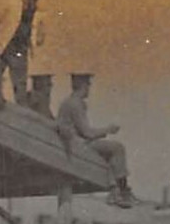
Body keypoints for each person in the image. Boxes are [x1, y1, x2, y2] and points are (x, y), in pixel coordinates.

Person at [54, 73, 138, 208]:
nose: (89, 88)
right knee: (117, 148)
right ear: (83, 86)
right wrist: (108, 130)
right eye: (88, 85)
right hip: (78, 148)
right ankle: (122, 191)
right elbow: (87, 133)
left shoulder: (68, 102)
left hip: (73, 145)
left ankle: (115, 192)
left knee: (109, 153)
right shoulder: (75, 104)